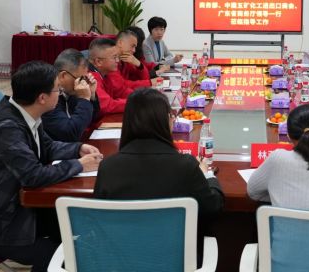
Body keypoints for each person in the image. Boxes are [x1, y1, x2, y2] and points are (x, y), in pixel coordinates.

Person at [0, 61, 103, 272]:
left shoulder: (25, 114)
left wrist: (78, 148)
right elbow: (33, 176)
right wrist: (78, 165)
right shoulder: (7, 128)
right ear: (42, 98)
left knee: (75, 227)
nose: (60, 93)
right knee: (57, 253)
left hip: (15, 209)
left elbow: (47, 146)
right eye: (57, 89)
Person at [93, 88, 224, 261]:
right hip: (176, 261)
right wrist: (208, 175)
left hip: (121, 260)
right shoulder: (185, 166)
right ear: (164, 121)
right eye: (172, 116)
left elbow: (100, 218)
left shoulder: (108, 167)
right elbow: (213, 208)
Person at [42, 49, 100, 142]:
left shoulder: (71, 90)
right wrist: (84, 99)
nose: (83, 83)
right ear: (63, 75)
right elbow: (69, 133)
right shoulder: (48, 95)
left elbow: (94, 119)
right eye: (80, 78)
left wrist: (91, 95)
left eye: (85, 78)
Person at [88, 37, 132, 115]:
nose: (118, 61)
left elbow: (120, 91)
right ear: (98, 62)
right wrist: (135, 103)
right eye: (114, 57)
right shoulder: (90, 78)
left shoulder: (105, 73)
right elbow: (107, 106)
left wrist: (140, 96)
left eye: (118, 57)